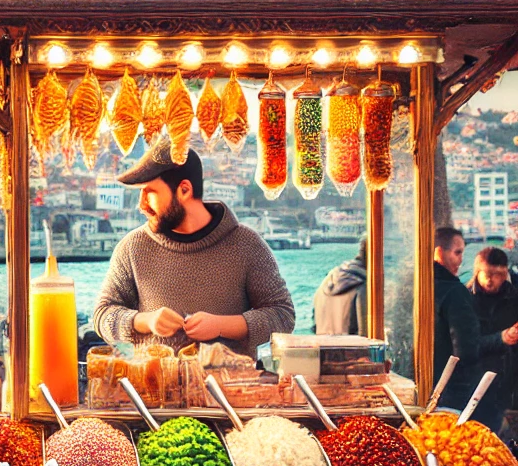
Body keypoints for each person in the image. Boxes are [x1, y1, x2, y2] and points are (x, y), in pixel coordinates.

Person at [94, 139, 295, 356]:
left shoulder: (246, 244)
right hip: (155, 388)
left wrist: (221, 326)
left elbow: (282, 316)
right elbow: (102, 316)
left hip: (227, 388)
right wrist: (144, 320)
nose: (141, 204)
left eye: (149, 192)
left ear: (184, 190)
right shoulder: (132, 247)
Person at [466, 246, 518, 431]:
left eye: (496, 274)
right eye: (486, 273)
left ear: (504, 275)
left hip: (508, 384)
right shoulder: (465, 299)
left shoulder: (514, 297)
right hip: (475, 383)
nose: (490, 280)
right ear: (477, 271)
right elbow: (466, 346)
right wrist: (501, 338)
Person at [433, 226, 482, 412]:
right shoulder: (455, 292)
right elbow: (466, 350)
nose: (461, 260)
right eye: (457, 252)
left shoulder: (418, 285)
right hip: (449, 393)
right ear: (439, 252)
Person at [313, 238, 368, 336]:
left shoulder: (327, 280)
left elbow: (314, 325)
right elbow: (365, 337)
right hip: (351, 349)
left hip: (323, 347)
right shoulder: (363, 286)